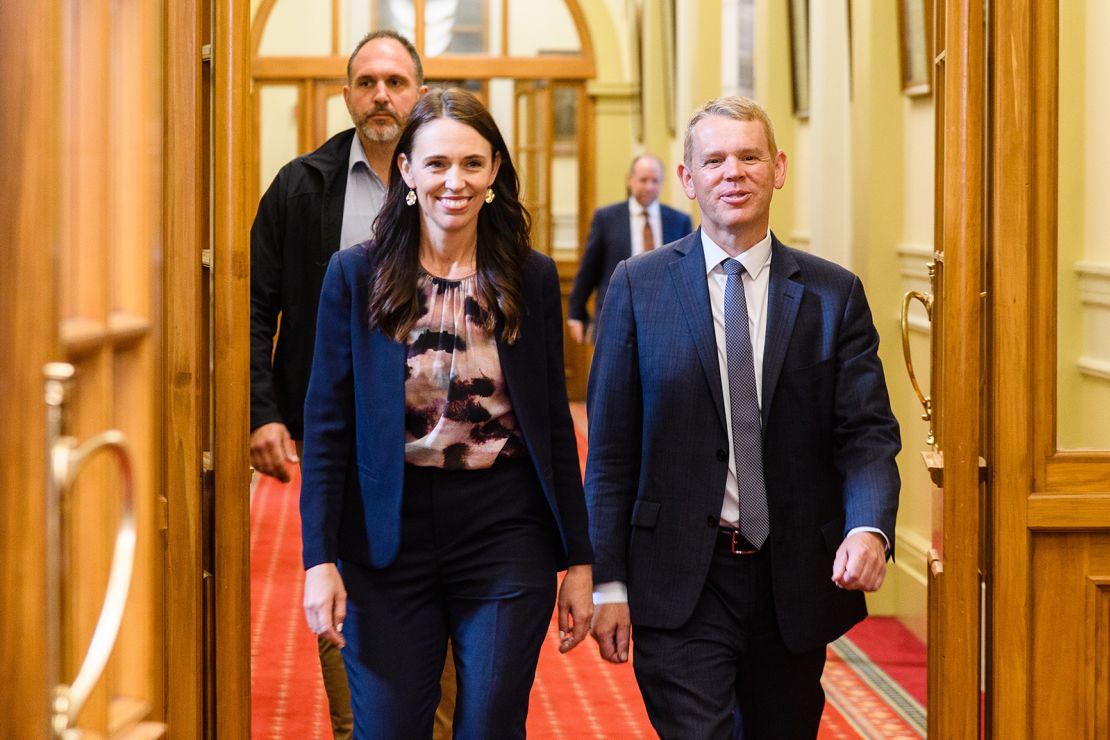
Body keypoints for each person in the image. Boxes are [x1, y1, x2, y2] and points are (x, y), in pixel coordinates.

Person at [585, 95, 901, 739]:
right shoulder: (636, 286)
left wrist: (869, 527)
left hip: (792, 581)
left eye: (749, 156)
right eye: (715, 160)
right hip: (678, 577)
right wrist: (607, 581)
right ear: (688, 179)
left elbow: (866, 435)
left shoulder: (832, 293)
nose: (733, 172)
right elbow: (611, 453)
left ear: (778, 168)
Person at [299, 88, 594, 739]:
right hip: (386, 534)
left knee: (489, 722)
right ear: (407, 171)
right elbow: (325, 430)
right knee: (389, 728)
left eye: (471, 164)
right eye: (436, 165)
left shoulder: (530, 277)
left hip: (504, 526)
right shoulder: (355, 276)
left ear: (493, 173)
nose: (453, 182)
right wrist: (318, 559)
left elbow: (551, 426)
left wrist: (580, 559)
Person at [249, 30, 443, 740]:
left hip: (442, 436)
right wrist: (262, 411)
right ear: (347, 96)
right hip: (339, 433)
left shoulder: (454, 175)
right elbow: (255, 306)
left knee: (440, 597)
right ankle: (358, 725)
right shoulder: (303, 186)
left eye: (395, 81)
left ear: (419, 92)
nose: (382, 95)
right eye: (367, 82)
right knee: (340, 586)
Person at [566, 154, 692, 343]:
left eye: (655, 181)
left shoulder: (679, 221)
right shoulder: (606, 218)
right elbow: (589, 269)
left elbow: (687, 272)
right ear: (629, 180)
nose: (649, 187)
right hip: (615, 315)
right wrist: (575, 313)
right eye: (643, 180)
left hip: (664, 317)